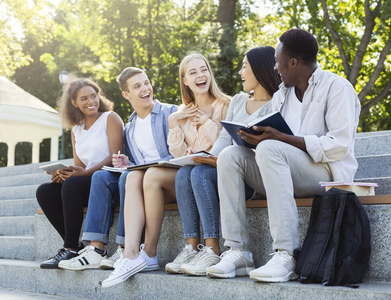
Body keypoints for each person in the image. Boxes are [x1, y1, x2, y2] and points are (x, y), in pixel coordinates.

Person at [206, 28, 360, 282]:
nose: (275, 68)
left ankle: (287, 253)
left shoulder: (337, 88)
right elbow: (263, 130)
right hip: (283, 169)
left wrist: (280, 139)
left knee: (270, 147)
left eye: (278, 62)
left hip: (326, 174)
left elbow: (339, 145)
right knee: (230, 156)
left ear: (293, 62)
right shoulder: (282, 95)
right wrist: (249, 135)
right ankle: (238, 251)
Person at [102, 52, 230, 288]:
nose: (200, 76)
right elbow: (179, 154)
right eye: (193, 72)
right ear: (184, 80)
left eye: (203, 70)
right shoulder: (181, 113)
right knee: (131, 177)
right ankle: (132, 254)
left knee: (153, 175)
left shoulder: (227, 105)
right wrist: (175, 124)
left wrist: (206, 121)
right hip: (186, 172)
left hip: (211, 172)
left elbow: (226, 145)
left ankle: (149, 251)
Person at [165, 46, 281, 276]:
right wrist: (208, 157)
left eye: (244, 67)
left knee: (199, 174)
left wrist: (214, 158)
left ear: (259, 69)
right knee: (187, 172)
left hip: (256, 173)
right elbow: (224, 139)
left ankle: (212, 248)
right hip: (229, 167)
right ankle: (194, 247)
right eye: (192, 72)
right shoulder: (238, 101)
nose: (239, 72)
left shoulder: (278, 102)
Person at [57, 68, 179, 270]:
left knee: (121, 178)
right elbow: (130, 162)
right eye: (137, 86)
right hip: (141, 181)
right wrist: (126, 163)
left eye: (146, 83)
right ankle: (95, 249)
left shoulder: (171, 112)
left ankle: (124, 248)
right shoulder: (130, 127)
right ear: (126, 94)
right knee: (115, 177)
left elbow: (180, 153)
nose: (145, 88)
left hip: (167, 180)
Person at [37, 77, 124, 269]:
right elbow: (80, 165)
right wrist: (64, 173)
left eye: (94, 96)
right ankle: (75, 246)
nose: (91, 101)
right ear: (74, 103)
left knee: (72, 184)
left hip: (110, 180)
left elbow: (115, 156)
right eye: (84, 98)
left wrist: (82, 174)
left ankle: (69, 248)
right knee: (45, 191)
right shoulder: (76, 129)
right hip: (87, 181)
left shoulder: (110, 118)